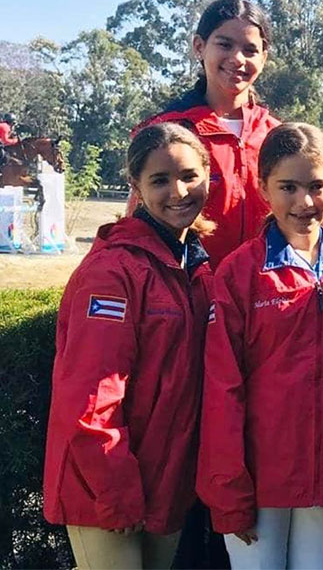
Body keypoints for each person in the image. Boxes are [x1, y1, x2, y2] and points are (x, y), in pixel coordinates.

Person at [198, 123, 323, 569]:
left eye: (317, 186)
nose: (304, 202)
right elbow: (222, 387)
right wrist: (228, 488)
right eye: (288, 187)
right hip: (260, 481)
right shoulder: (239, 274)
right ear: (263, 188)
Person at [43, 123, 214, 569]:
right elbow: (89, 395)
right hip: (105, 486)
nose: (178, 191)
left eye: (190, 175)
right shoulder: (113, 272)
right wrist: (114, 489)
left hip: (165, 482)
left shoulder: (197, 270)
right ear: (135, 186)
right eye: (159, 180)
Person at [131, 0, 280, 269]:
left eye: (250, 49)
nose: (237, 59)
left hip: (263, 299)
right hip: (188, 295)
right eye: (224, 44)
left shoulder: (277, 136)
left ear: (264, 57)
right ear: (199, 46)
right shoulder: (165, 133)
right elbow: (135, 226)